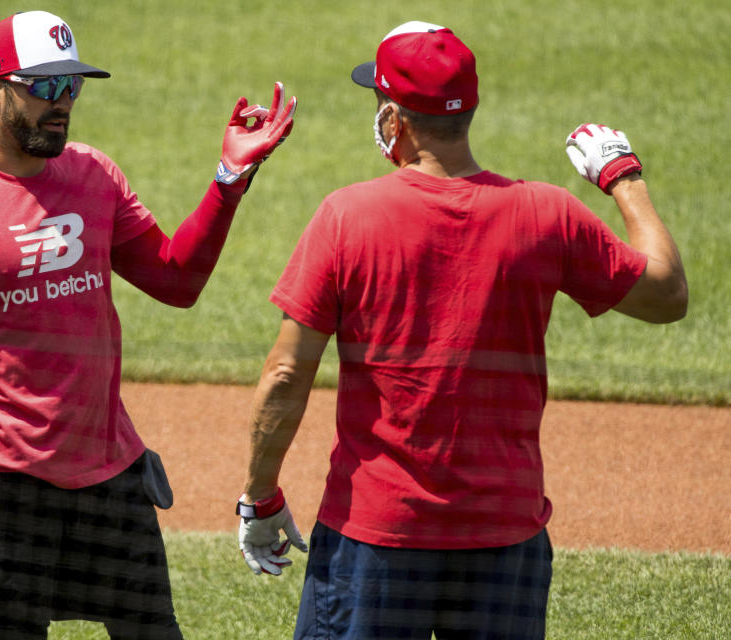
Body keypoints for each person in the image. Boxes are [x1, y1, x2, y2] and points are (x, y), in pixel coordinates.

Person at [235, 21, 687, 640]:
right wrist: (623, 178)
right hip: (505, 542)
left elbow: (286, 375)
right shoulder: (547, 214)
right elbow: (667, 296)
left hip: (376, 538)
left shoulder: (346, 217)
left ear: (394, 120)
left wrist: (259, 497)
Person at [0, 10, 296, 640]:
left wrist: (229, 180)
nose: (62, 104)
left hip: (110, 471)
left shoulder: (93, 175)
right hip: (0, 486)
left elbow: (176, 282)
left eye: (71, 86)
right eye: (44, 87)